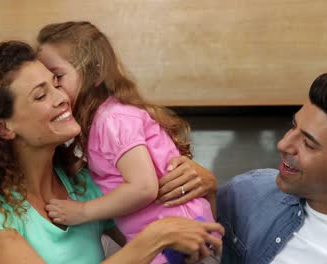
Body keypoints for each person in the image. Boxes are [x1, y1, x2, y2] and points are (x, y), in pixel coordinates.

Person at [0, 40, 224, 264]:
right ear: (4, 128)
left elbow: (183, 235)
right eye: (40, 95)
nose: (62, 98)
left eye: (56, 83)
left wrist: (204, 185)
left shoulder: (83, 188)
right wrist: (158, 235)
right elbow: (152, 239)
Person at [36, 21, 219, 264]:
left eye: (58, 77)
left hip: (180, 238)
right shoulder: (100, 123)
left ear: (95, 74)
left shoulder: (112, 120)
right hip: (171, 239)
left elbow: (143, 187)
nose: (55, 92)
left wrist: (83, 212)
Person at [217, 73, 327, 263]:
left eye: (308, 144)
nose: (283, 144)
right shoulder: (248, 191)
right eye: (293, 126)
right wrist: (200, 192)